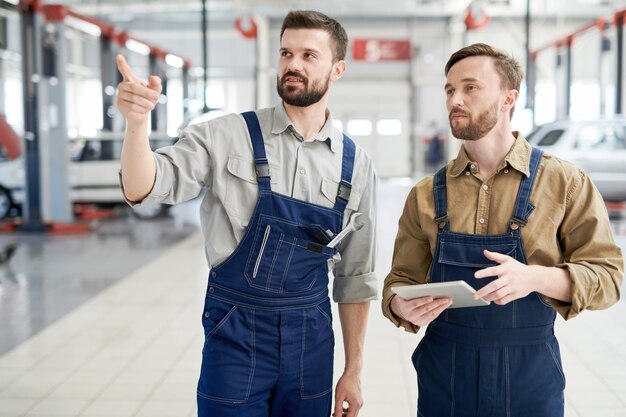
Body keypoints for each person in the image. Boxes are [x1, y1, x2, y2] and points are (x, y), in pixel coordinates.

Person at [115, 9, 377, 417]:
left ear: (337, 69)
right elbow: (143, 186)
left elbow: (356, 278)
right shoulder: (224, 135)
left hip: (310, 339)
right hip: (235, 331)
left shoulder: (356, 164)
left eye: (309, 55)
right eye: (286, 53)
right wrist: (136, 125)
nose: (293, 63)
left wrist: (354, 370)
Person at [381, 43, 623, 417]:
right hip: (446, 379)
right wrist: (402, 305)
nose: (455, 99)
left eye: (470, 87)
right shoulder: (426, 194)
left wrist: (536, 278)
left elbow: (608, 278)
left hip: (529, 380)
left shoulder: (564, 183)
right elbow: (398, 281)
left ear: (509, 98)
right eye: (449, 89)